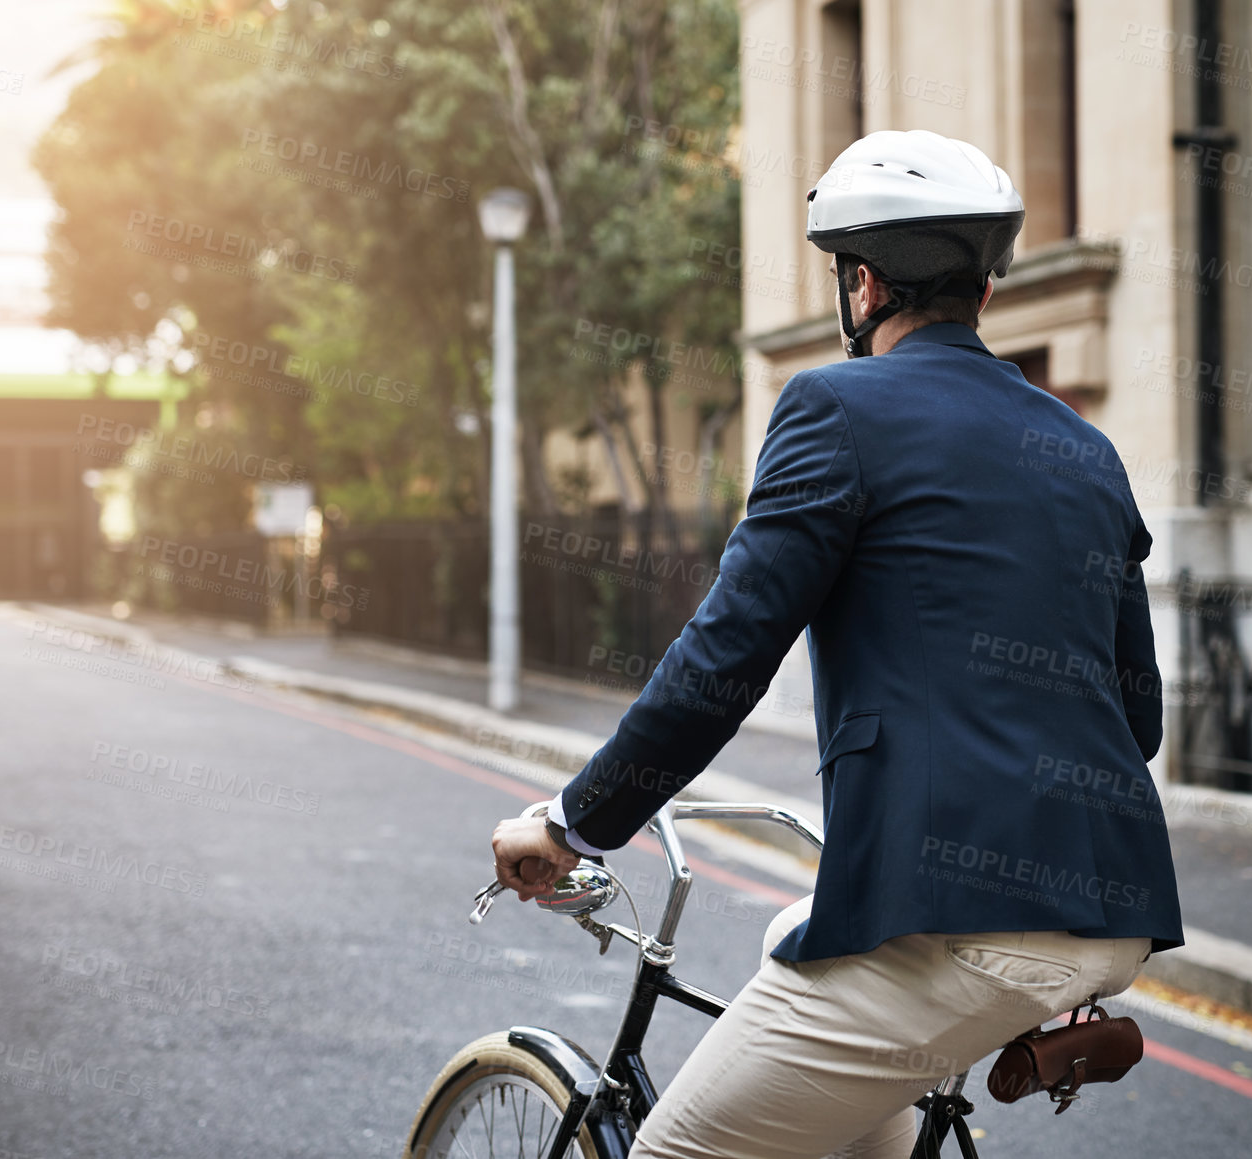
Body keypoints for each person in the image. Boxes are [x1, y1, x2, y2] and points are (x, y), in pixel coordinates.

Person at [490, 129, 1184, 1159]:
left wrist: (576, 823)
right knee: (794, 958)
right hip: (1109, 904)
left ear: (860, 285)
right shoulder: (1084, 447)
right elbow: (1140, 720)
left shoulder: (834, 407)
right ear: (984, 293)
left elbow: (724, 658)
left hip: (962, 921)